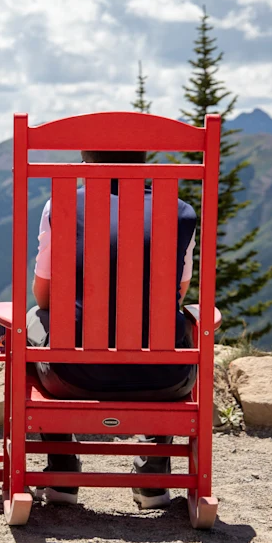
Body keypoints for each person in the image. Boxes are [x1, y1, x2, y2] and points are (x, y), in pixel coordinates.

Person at [27, 149, 198, 508]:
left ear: (87, 162)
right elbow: (178, 294)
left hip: (73, 374)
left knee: (32, 318)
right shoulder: (181, 212)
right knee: (172, 325)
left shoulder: (60, 206)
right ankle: (153, 474)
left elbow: (43, 296)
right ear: (143, 160)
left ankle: (62, 470)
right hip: (165, 378)